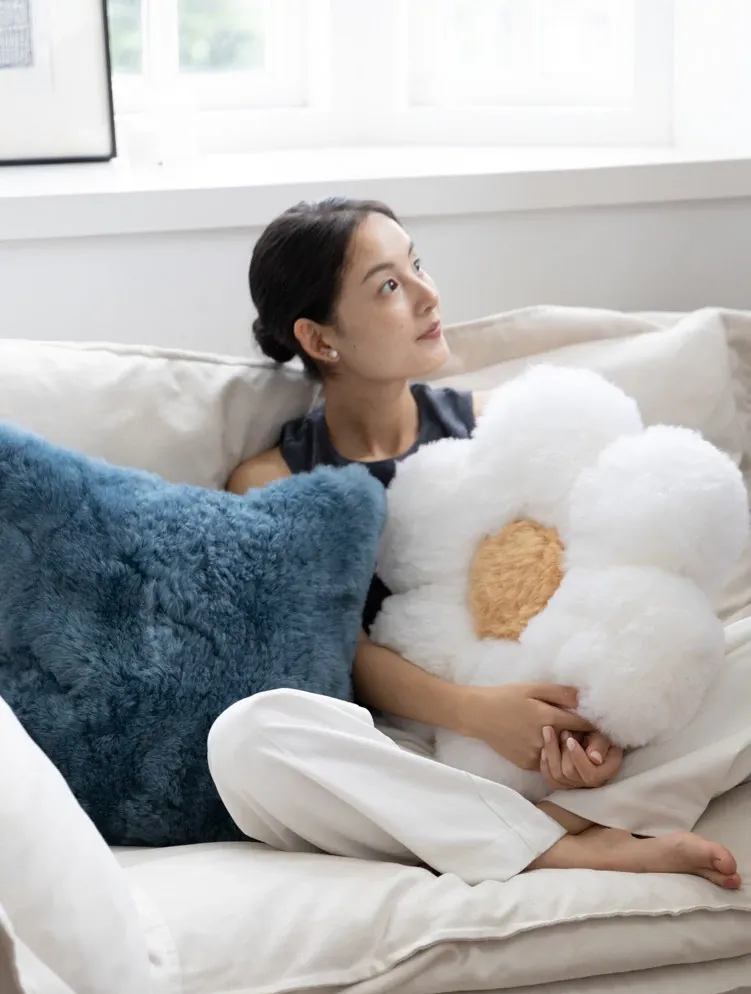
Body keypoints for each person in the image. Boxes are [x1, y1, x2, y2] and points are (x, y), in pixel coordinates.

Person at [213, 196, 751, 889]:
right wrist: (479, 715)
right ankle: (559, 845)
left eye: (417, 265)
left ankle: (562, 818)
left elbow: (604, 577)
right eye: (389, 285)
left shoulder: (504, 427)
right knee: (247, 736)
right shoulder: (271, 481)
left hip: (557, 708)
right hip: (413, 745)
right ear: (320, 339)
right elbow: (339, 647)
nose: (427, 294)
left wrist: (602, 722)